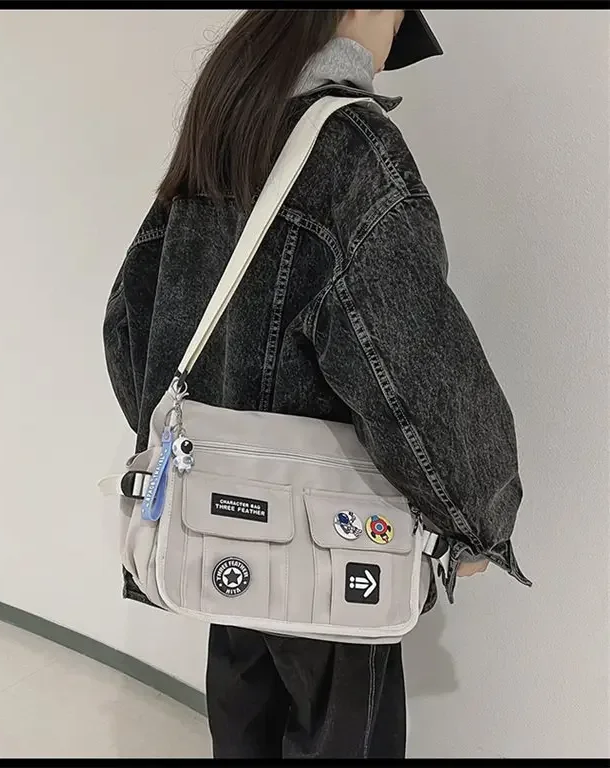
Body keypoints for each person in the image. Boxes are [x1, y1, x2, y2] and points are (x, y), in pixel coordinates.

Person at [104, 9, 530, 759]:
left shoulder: (226, 134)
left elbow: (128, 324)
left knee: (243, 730)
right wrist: (477, 519)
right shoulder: (352, 150)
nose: (394, 38)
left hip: (220, 531)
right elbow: (414, 367)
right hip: (332, 551)